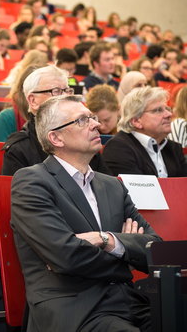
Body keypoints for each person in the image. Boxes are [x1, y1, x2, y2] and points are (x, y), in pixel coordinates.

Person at [11, 94, 161, 332]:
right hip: (75, 308)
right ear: (56, 137)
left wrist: (107, 240)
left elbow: (156, 250)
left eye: (92, 117)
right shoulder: (31, 181)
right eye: (82, 120)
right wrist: (126, 255)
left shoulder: (112, 185)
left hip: (128, 301)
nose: (96, 124)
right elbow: (66, 256)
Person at [2, 65, 108, 176]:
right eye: (56, 91)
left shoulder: (84, 138)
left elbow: (105, 186)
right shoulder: (19, 149)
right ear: (33, 100)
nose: (64, 97)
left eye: (67, 91)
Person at [103, 87, 187, 177]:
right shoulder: (118, 148)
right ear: (136, 121)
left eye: (167, 109)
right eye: (158, 110)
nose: (169, 114)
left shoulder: (173, 148)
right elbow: (134, 190)